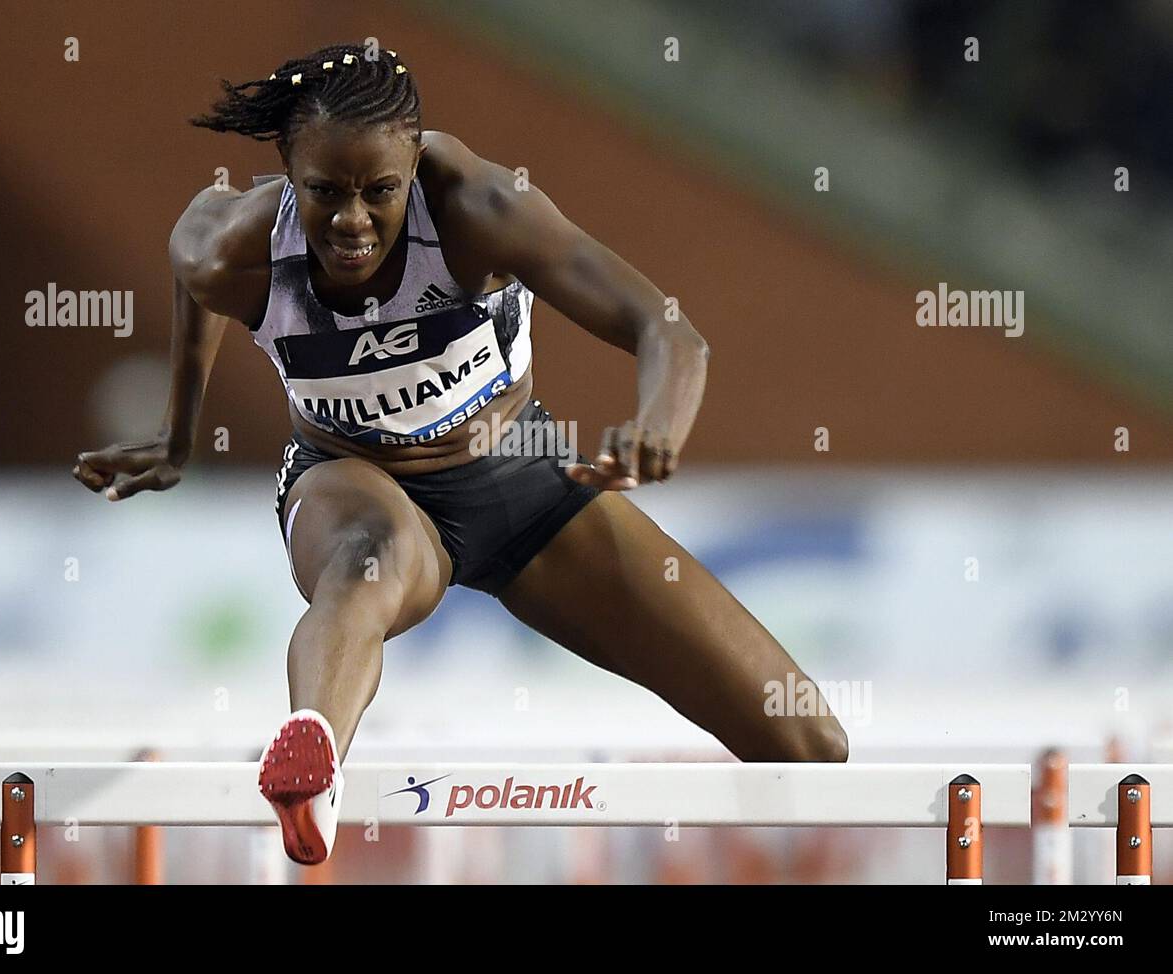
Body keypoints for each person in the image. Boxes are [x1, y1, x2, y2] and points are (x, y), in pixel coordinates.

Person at [74, 43, 848, 866]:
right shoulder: (229, 248)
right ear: (284, 174)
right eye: (324, 192)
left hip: (527, 483)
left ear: (415, 164)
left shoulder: (480, 207)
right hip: (355, 479)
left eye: (380, 192)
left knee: (807, 741)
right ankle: (312, 762)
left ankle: (317, 754)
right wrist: (178, 433)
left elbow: (668, 330)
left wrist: (658, 423)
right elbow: (192, 286)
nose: (351, 222)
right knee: (367, 560)